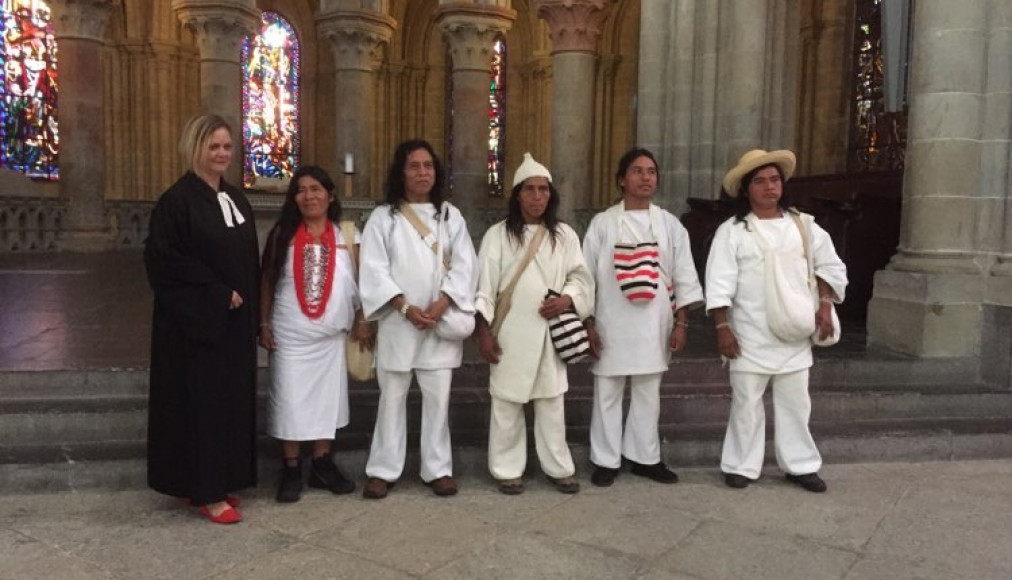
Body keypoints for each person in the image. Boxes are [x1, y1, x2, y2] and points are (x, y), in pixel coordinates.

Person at [705, 148, 847, 493]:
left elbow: (829, 267)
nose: (769, 187)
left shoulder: (803, 225)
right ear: (746, 189)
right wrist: (723, 328)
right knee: (746, 404)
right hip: (749, 333)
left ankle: (800, 465)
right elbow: (719, 281)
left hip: (795, 332)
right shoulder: (733, 231)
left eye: (774, 180)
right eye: (759, 181)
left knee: (796, 403)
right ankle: (741, 465)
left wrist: (825, 306)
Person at [144, 114, 259, 524]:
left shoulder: (235, 198)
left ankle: (220, 480)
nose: (222, 154)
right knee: (203, 405)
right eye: (214, 147)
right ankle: (207, 493)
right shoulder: (176, 201)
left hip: (233, 326)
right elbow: (165, 264)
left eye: (227, 146)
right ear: (195, 148)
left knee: (229, 402)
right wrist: (214, 294)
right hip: (196, 329)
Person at [358, 139, 478, 499]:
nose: (423, 172)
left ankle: (437, 468)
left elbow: (465, 263)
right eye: (414, 166)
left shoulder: (449, 215)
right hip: (399, 322)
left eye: (428, 166)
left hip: (437, 322)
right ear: (401, 171)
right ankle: (383, 469)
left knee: (438, 399)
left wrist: (442, 303)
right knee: (391, 397)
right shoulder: (384, 218)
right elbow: (374, 268)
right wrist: (405, 307)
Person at [582, 148, 704, 488]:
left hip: (655, 323)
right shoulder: (602, 223)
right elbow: (585, 277)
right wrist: (588, 323)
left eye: (651, 171)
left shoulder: (670, 225)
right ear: (622, 179)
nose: (646, 177)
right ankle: (606, 459)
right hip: (611, 322)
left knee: (648, 392)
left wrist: (682, 323)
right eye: (637, 171)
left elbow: (683, 276)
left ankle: (644, 457)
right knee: (607, 390)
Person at [473, 153, 594, 495]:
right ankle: (507, 470)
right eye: (530, 189)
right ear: (517, 195)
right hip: (510, 335)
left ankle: (559, 469)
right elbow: (484, 287)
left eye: (543, 189)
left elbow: (581, 278)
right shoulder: (497, 236)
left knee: (551, 403)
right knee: (507, 404)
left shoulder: (565, 235)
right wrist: (483, 332)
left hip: (550, 335)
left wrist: (567, 299)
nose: (537, 196)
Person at [259, 165, 373, 503]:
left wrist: (363, 316)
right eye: (301, 190)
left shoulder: (348, 236)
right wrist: (263, 324)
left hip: (331, 338)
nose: (308, 196)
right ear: (294, 197)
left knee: (327, 403)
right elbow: (266, 280)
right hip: (291, 336)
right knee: (290, 401)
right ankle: (291, 466)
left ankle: (322, 463)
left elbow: (364, 282)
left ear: (330, 194)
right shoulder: (282, 233)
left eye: (316, 189)